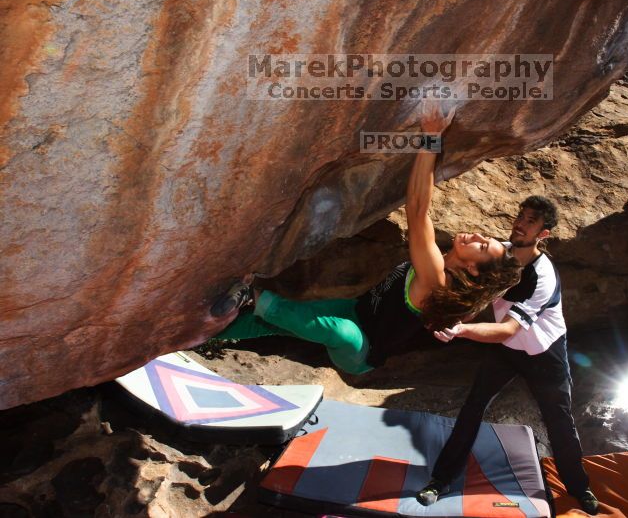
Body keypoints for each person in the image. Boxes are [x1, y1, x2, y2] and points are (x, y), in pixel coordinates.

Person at [208, 101, 522, 375]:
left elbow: (416, 208)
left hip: (361, 351)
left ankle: (253, 296)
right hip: (355, 309)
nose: (478, 236)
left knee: (339, 333)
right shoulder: (440, 265)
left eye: (483, 246)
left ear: (473, 270)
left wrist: (432, 136)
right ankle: (201, 333)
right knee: (273, 322)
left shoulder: (436, 279)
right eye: (485, 237)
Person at [416, 195, 600, 515]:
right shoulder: (498, 255)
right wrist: (450, 316)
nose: (521, 223)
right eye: (521, 216)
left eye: (531, 221)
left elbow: (508, 330)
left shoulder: (543, 277)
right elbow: (474, 299)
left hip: (545, 353)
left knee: (559, 420)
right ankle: (440, 480)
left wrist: (460, 330)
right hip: (506, 351)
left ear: (543, 234)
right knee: (473, 406)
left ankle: (578, 487)